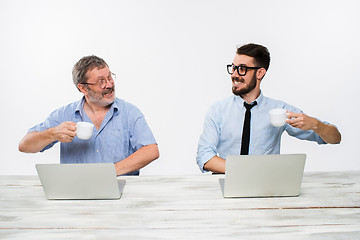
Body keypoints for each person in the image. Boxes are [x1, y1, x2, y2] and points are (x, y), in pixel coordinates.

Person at [196, 43, 341, 174]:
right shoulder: (218, 110)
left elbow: (335, 138)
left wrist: (316, 124)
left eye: (242, 69)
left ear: (260, 73)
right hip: (227, 181)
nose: (234, 74)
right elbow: (204, 156)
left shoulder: (280, 110)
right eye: (233, 68)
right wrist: (244, 172)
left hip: (266, 189)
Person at [19, 55, 159, 176]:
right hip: (76, 193)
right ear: (83, 88)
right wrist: (53, 133)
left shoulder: (129, 112)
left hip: (120, 194)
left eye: (109, 77)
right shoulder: (64, 115)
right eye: (101, 81)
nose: (109, 84)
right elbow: (24, 145)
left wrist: (108, 173)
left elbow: (151, 150)